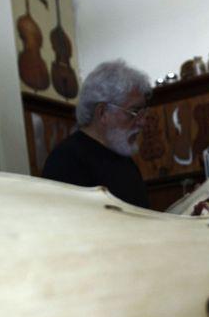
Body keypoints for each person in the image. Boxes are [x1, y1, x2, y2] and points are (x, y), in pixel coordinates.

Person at [42, 60, 151, 208]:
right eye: (135, 112)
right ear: (103, 112)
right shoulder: (66, 160)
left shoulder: (125, 161)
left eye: (144, 113)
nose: (142, 122)